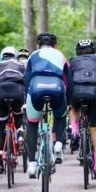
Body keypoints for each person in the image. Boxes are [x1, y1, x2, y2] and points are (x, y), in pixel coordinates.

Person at [24, 32, 70, 177]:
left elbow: (26, 80)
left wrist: (27, 99)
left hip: (36, 89)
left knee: (32, 123)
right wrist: (68, 101)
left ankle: (31, 164)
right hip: (56, 89)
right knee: (61, 116)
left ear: (38, 44)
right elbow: (69, 81)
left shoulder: (33, 56)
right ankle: (58, 145)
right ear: (54, 45)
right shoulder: (60, 56)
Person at [67, 39, 96, 178]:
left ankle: (75, 131)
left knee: (73, 108)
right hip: (95, 91)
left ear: (78, 51)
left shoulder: (73, 62)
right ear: (94, 50)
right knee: (95, 128)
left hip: (77, 90)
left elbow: (68, 81)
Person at [0, 46, 26, 174]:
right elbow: (26, 82)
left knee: (0, 126)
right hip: (17, 91)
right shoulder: (21, 64)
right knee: (18, 115)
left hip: (0, 92)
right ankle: (20, 133)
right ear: (15, 55)